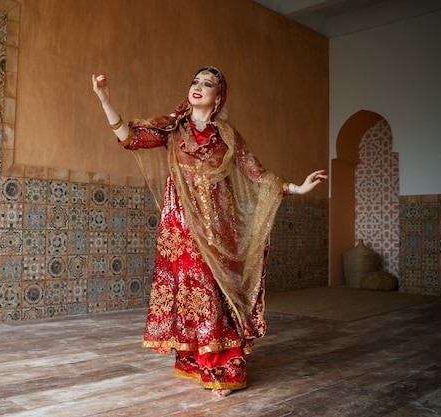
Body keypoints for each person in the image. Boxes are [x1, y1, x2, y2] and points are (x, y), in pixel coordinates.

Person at [92, 66, 327, 397]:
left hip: (217, 227)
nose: (198, 87)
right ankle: (194, 360)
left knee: (214, 291)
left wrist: (298, 188)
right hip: (180, 226)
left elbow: (256, 173)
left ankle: (222, 368)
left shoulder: (227, 137)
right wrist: (104, 99)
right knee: (188, 290)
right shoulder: (173, 130)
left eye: (208, 84)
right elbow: (128, 138)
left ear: (218, 97)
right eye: (195, 81)